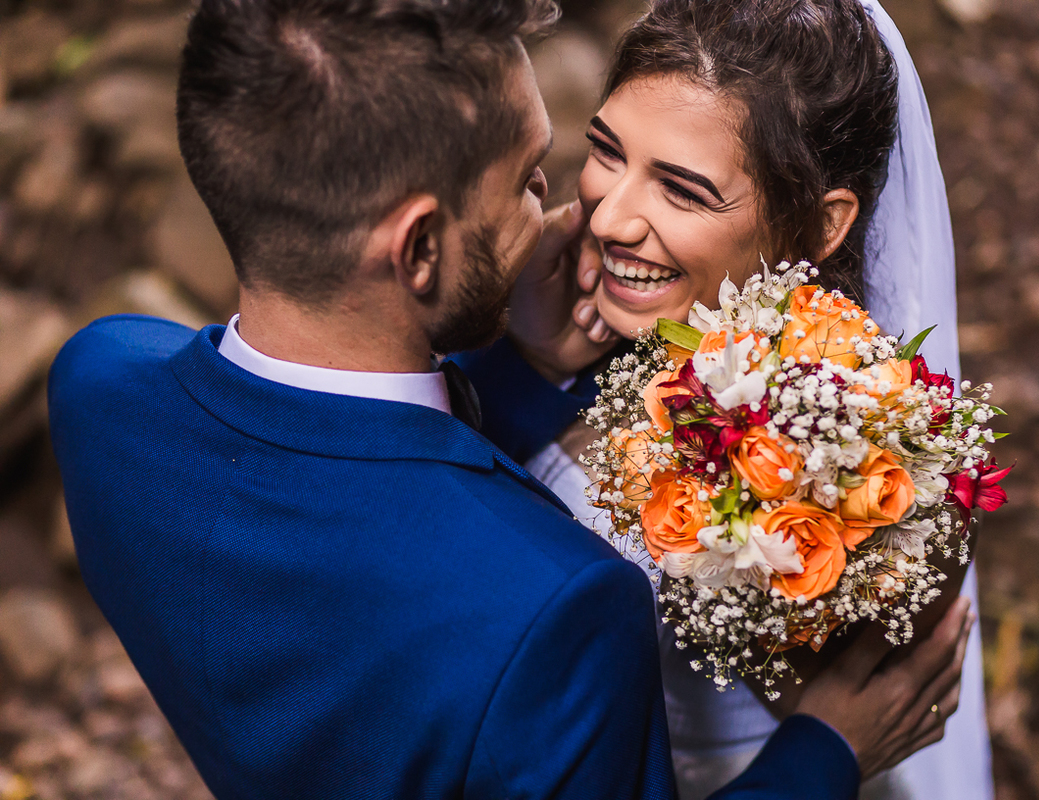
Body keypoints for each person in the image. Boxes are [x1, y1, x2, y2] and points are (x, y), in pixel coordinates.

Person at [47, 1, 971, 798]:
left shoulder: (100, 381)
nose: (591, 217)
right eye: (534, 178)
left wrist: (519, 369)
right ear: (417, 251)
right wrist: (826, 754)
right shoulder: (556, 617)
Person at [457, 1, 992, 798]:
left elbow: (846, 705)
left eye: (682, 190)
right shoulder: (562, 332)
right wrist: (528, 363)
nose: (607, 215)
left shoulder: (858, 460)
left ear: (817, 224)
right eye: (607, 150)